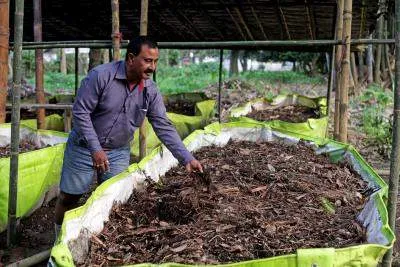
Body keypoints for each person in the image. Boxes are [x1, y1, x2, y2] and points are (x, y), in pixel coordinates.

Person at [53, 36, 203, 239]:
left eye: (155, 61)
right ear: (131, 58)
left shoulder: (150, 91)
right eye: (147, 60)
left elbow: (163, 126)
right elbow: (81, 113)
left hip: (117, 151)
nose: (152, 67)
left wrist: (187, 158)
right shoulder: (100, 76)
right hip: (84, 147)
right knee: (70, 196)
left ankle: (100, 240)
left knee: (114, 200)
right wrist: (95, 149)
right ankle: (57, 238)